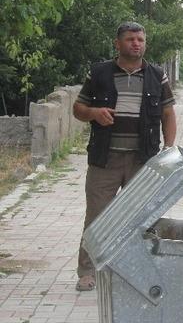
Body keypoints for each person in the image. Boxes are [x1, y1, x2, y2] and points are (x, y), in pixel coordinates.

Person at [72, 22, 176, 291]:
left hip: (143, 161)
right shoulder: (99, 73)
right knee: (96, 217)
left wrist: (170, 148)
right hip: (104, 159)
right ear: (117, 43)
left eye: (140, 39)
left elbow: (168, 114)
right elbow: (78, 108)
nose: (136, 43)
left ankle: (136, 272)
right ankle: (87, 271)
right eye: (130, 39)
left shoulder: (157, 75)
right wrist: (94, 113)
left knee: (141, 219)